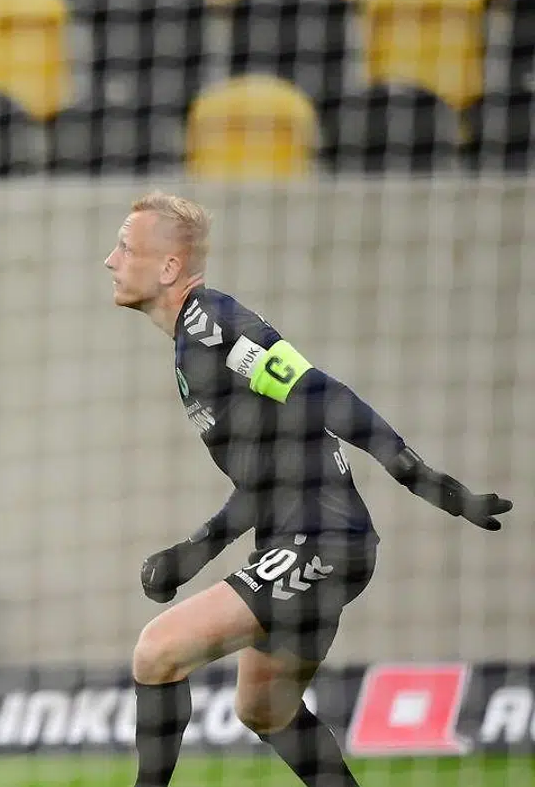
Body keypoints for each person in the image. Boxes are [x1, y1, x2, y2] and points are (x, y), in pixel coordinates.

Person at [104, 193, 511, 787]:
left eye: (124, 246)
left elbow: (321, 393)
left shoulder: (210, 321)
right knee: (263, 709)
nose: (109, 259)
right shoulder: (190, 345)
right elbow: (262, 480)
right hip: (303, 537)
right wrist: (191, 553)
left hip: (321, 539)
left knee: (156, 651)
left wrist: (430, 483)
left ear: (168, 268)